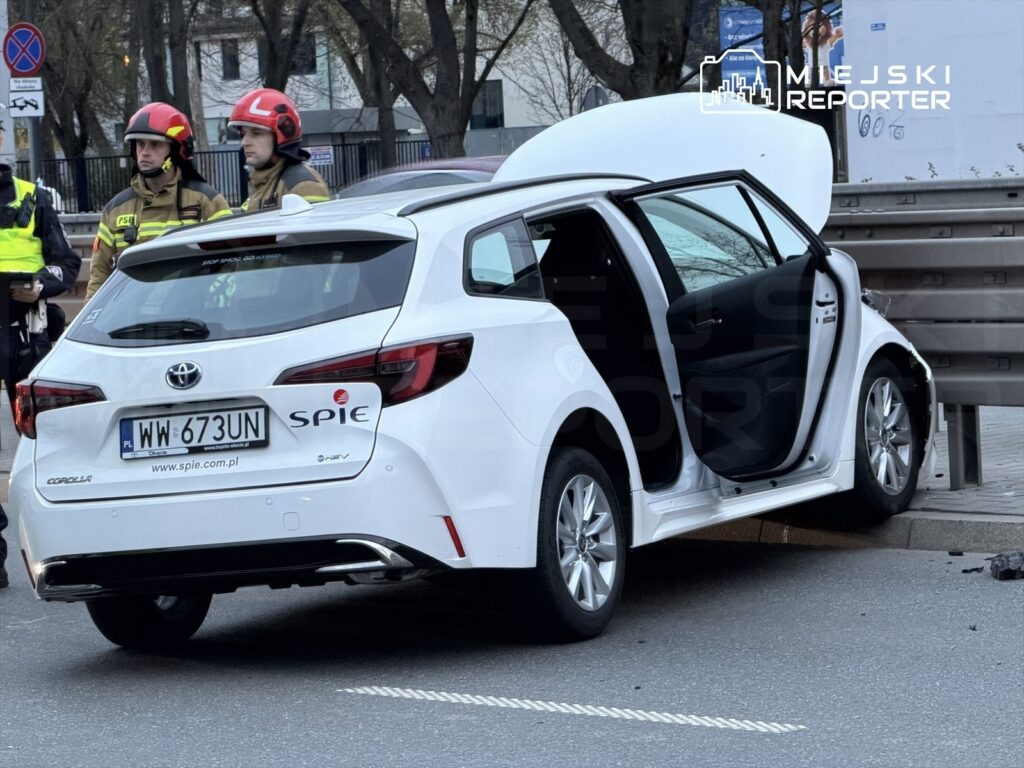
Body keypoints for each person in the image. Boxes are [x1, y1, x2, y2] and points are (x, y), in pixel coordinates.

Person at [0, 118, 81, 589]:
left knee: (42, 444)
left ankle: (56, 545)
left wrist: (40, 286)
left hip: (25, 331)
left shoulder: (33, 196)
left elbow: (66, 263)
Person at [86, 102, 231, 299]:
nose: (144, 152)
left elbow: (229, 267)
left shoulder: (208, 202)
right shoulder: (115, 209)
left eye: (155, 144)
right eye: (140, 144)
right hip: (131, 320)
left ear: (176, 150)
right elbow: (99, 276)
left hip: (194, 318)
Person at [228, 88, 330, 211]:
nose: (244, 142)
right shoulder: (263, 182)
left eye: (256, 133)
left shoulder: (303, 185)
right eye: (243, 133)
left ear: (283, 134)